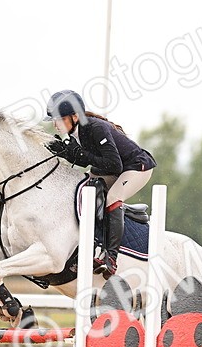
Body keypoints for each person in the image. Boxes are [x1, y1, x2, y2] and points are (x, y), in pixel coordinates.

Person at [44, 89, 156, 278]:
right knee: (83, 188)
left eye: (58, 119)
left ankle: (110, 258)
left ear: (74, 117)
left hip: (136, 167)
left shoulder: (95, 128)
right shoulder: (79, 130)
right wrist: (64, 151)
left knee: (113, 197)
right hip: (114, 169)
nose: (55, 124)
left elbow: (114, 163)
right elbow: (86, 161)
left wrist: (79, 153)